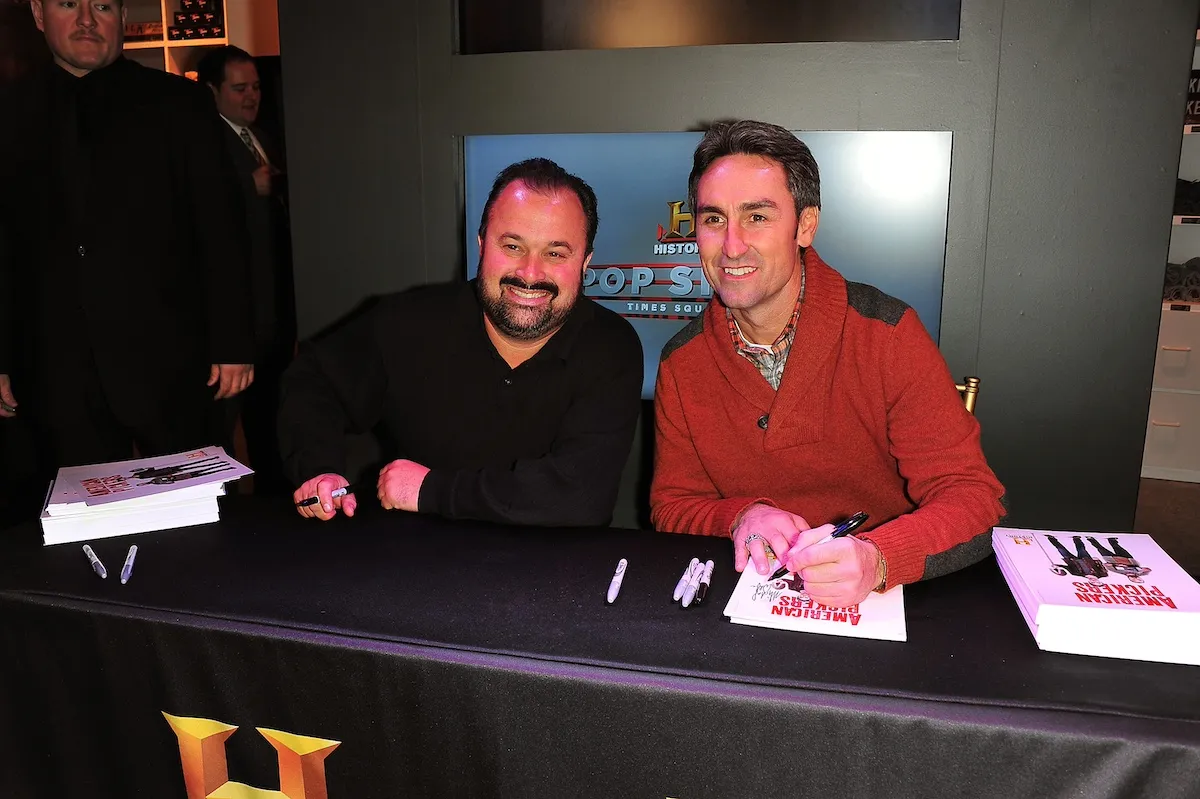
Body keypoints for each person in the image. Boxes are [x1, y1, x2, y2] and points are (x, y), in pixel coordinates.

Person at [650, 119, 1007, 608]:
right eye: (714, 219)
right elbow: (672, 506)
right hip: (750, 608)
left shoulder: (886, 332)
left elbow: (973, 497)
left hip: (890, 604)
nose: (731, 245)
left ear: (806, 225)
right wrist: (740, 516)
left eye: (757, 217)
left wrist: (879, 557)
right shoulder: (681, 362)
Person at [279, 157, 643, 526]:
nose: (530, 274)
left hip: (555, 573)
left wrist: (429, 490)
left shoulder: (611, 347)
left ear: (585, 262)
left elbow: (580, 499)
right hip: (414, 564)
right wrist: (318, 469)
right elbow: (314, 381)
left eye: (555, 253)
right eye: (513, 246)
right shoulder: (409, 322)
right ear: (482, 245)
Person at [0, 0, 255, 489]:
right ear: (37, 13)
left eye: (102, 6)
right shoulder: (9, 112)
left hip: (174, 362)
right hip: (57, 367)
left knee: (195, 517)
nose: (87, 21)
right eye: (69, 4)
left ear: (119, 16)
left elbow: (221, 228)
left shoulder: (179, 103)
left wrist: (234, 341)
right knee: (82, 529)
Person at [198, 45, 295, 494]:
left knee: (269, 414)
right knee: (220, 425)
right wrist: (244, 187)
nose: (251, 96)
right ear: (212, 90)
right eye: (239, 88)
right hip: (236, 312)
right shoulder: (203, 144)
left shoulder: (262, 136)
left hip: (272, 306)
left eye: (255, 87)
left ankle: (272, 500)